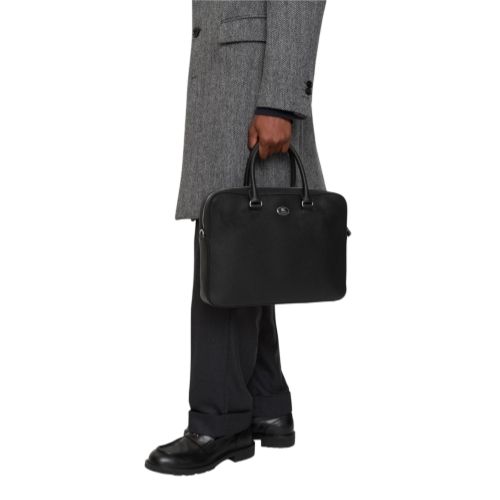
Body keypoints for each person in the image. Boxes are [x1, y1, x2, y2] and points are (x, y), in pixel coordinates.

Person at [145, 0, 327, 475]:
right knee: (247, 245)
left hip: (253, 87)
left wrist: (279, 101)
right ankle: (267, 403)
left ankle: (219, 420)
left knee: (225, 248)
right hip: (234, 79)